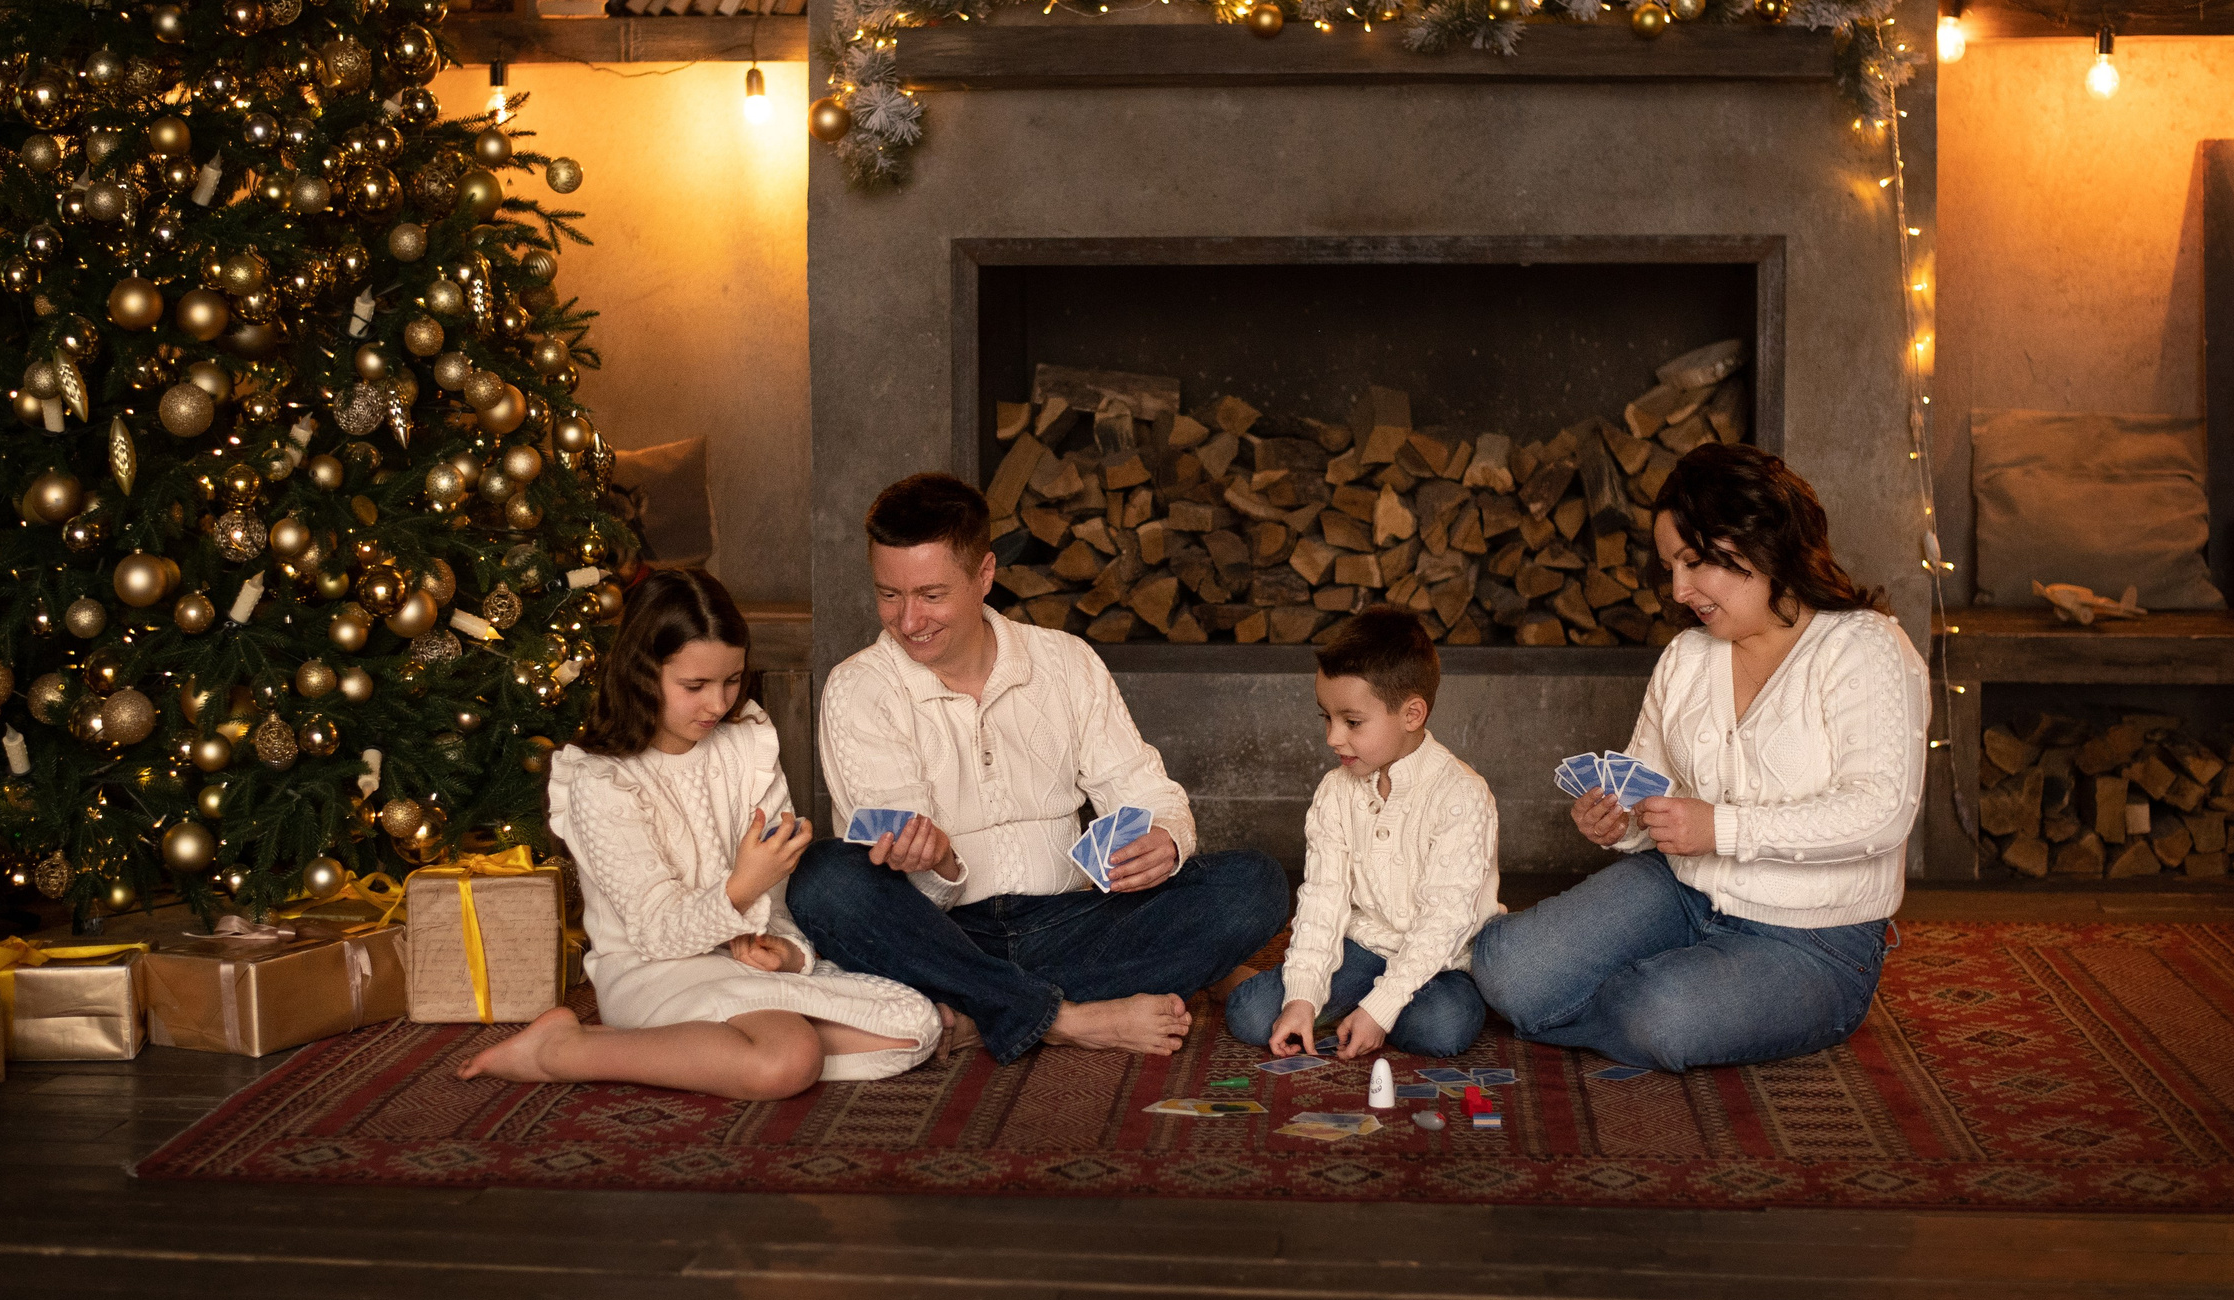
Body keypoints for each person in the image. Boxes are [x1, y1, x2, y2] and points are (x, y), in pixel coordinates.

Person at [786, 473, 1290, 1062]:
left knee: (1255, 884)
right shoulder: (857, 689)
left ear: (984, 576)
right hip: (940, 934)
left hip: (1072, 923)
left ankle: (983, 1008)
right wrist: (939, 860)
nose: (908, 621)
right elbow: (890, 872)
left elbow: (1146, 789)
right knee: (823, 879)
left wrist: (1164, 839)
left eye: (930, 595)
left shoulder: (1064, 661)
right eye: (889, 595)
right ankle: (1066, 1019)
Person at [1471, 441, 1928, 1074]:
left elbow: (1880, 814)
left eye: (1694, 562)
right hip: (1681, 890)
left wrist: (1721, 827)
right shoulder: (1688, 657)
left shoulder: (1867, 648)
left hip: (1814, 939)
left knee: (1665, 1015)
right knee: (1506, 967)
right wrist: (1619, 823)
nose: (1680, 589)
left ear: (1758, 541)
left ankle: (1657, 999)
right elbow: (1646, 784)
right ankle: (1642, 996)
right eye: (1671, 566)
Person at [459, 568, 938, 1093]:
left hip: (739, 961)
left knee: (915, 1026)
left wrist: (787, 950)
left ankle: (722, 1045)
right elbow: (656, 932)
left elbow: (777, 894)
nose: (718, 704)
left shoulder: (747, 743)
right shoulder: (602, 780)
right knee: (789, 1058)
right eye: (695, 686)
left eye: (732, 680)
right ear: (643, 675)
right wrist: (741, 887)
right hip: (653, 968)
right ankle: (563, 1051)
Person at [1226, 607, 1499, 1061]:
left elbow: (1445, 921)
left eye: (1351, 722)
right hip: (1361, 949)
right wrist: (1302, 996)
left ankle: (1369, 1012)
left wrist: (1383, 1005)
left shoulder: (1463, 794)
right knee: (1253, 1015)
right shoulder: (1335, 791)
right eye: (1325, 717)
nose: (1333, 737)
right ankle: (1347, 1007)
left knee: (1442, 1028)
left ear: (1412, 713)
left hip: (1441, 961)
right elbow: (1323, 898)